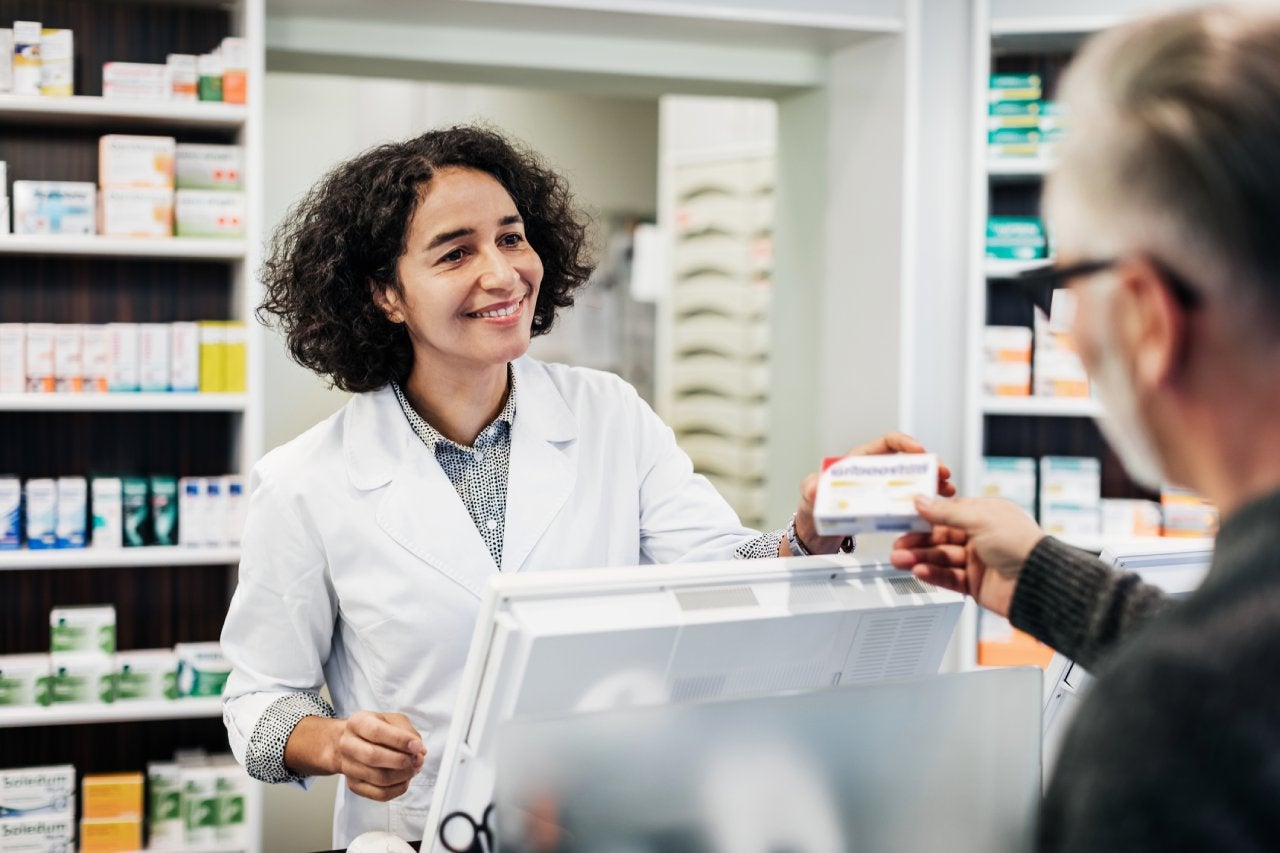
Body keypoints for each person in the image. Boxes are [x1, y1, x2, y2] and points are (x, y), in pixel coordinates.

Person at [220, 124, 954, 846]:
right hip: (422, 832)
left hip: (606, 819)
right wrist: (334, 742)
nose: (503, 273)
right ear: (387, 293)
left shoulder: (610, 415)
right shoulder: (305, 481)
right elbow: (256, 701)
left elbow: (724, 581)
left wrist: (810, 532)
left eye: (511, 237)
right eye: (456, 252)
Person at [892, 6, 1280, 851]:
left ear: (1146, 315)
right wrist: (1046, 580)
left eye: (1071, 278)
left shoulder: (1171, 724)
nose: (1065, 328)